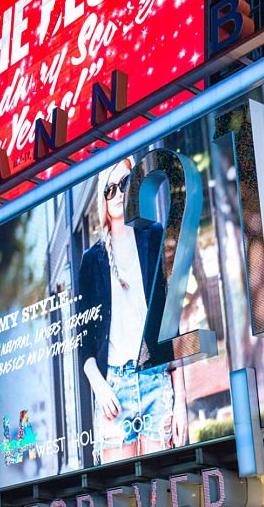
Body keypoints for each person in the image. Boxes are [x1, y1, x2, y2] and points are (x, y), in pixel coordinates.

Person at [78, 156, 188, 465]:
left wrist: (181, 400)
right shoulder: (92, 259)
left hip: (155, 379)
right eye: (110, 189)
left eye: (123, 185)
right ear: (102, 198)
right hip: (115, 387)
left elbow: (170, 323)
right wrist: (100, 387)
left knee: (161, 494)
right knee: (121, 500)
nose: (117, 195)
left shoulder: (152, 236)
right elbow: (83, 345)